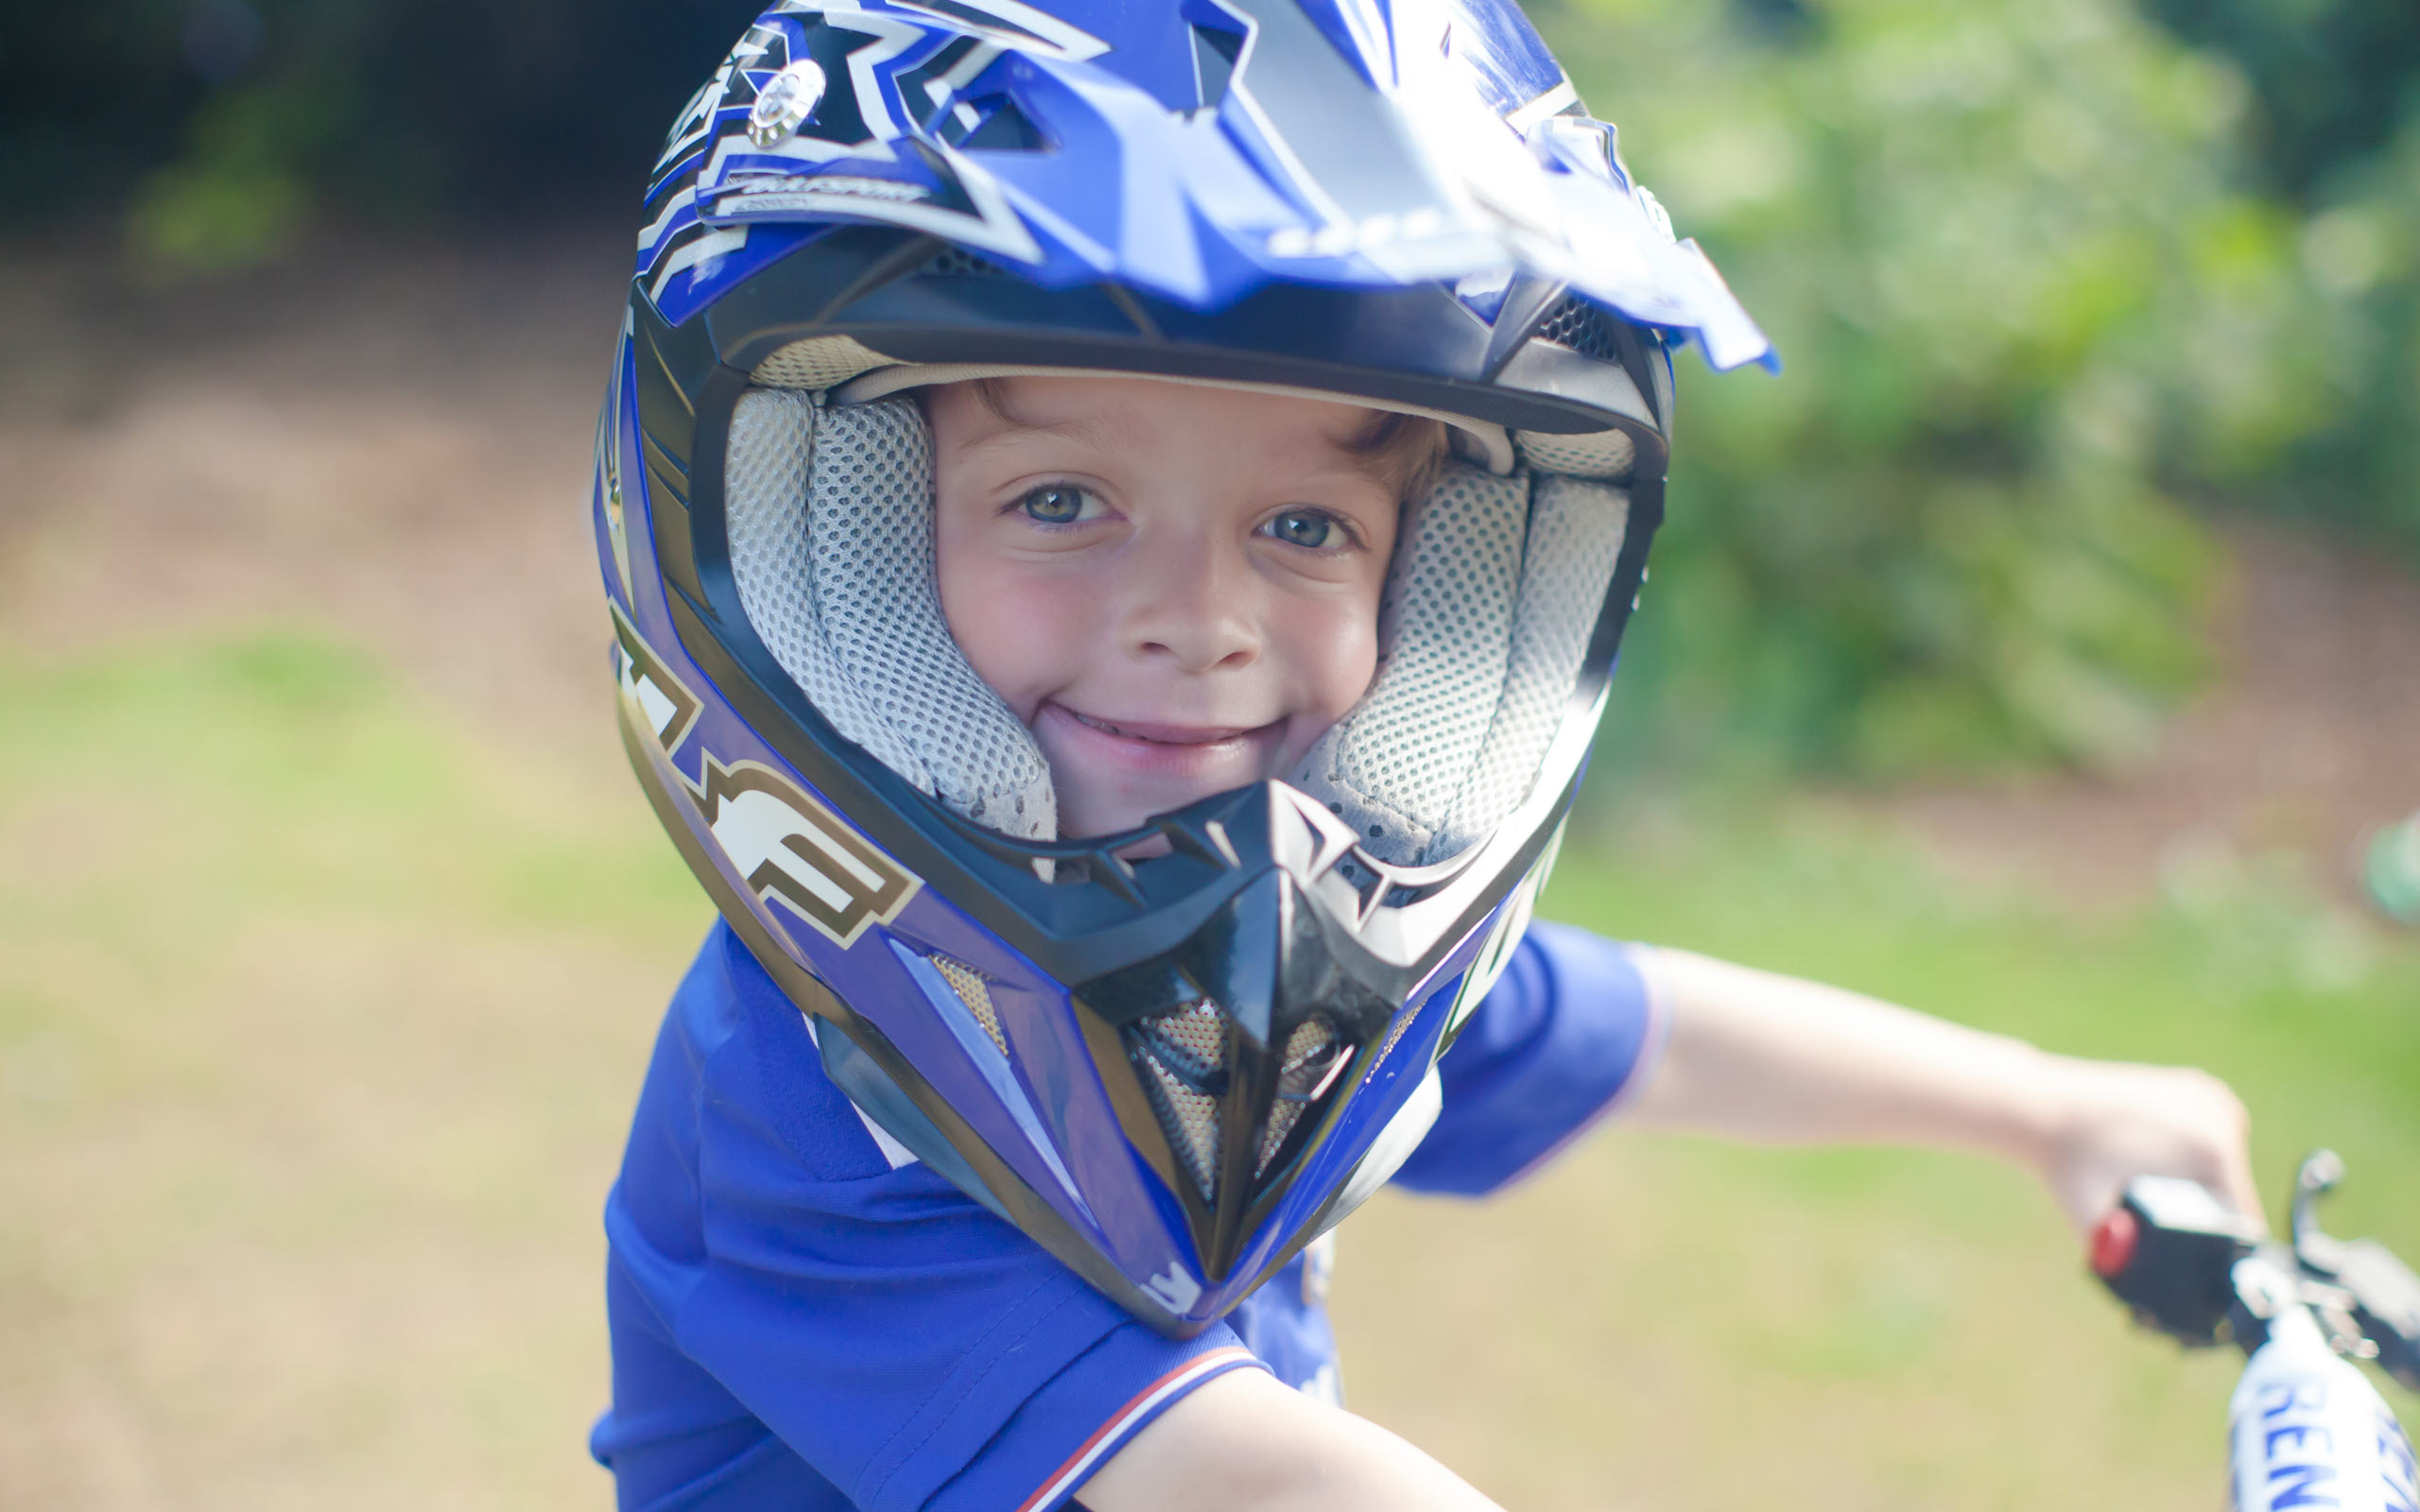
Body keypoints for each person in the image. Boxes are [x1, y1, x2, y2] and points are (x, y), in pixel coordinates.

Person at [587, 5, 2257, 1509]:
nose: (1201, 619)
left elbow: (1646, 1039)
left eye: (1305, 524)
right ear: (842, 547)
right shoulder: (816, 1098)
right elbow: (1267, 1490)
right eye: (1061, 503)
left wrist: (2057, 1111)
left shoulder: (1289, 974)